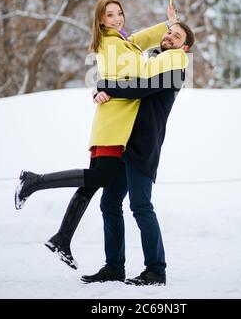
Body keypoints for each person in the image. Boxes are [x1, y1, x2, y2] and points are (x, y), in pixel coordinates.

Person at [14, 0, 186, 267]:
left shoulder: (119, 41)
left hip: (118, 125)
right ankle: (35, 182)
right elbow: (141, 74)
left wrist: (167, 23)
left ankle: (63, 238)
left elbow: (138, 40)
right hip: (115, 124)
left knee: (97, 184)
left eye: (120, 13)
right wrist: (104, 85)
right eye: (110, 15)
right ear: (101, 20)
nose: (117, 18)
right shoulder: (112, 43)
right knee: (101, 177)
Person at [80, 22, 194, 286]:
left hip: (143, 146)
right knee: (109, 203)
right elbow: (127, 76)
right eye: (169, 32)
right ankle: (113, 267)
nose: (169, 37)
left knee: (141, 206)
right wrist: (101, 88)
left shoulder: (175, 69)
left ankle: (156, 269)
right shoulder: (150, 61)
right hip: (121, 140)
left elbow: (139, 89)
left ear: (184, 48)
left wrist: (105, 86)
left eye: (177, 36)